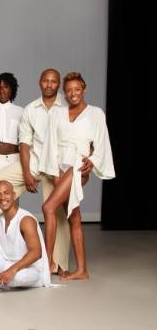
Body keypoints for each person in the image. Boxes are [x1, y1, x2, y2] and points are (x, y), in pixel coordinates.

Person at [0, 68, 71, 272]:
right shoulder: (31, 109)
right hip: (35, 162)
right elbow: (24, 144)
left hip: (58, 167)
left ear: (59, 84)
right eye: (45, 81)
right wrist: (28, 173)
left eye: (53, 81)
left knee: (58, 212)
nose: (49, 85)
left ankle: (56, 263)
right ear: (40, 82)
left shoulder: (67, 108)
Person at [39, 72, 115, 280]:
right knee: (74, 217)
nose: (73, 94)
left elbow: (101, 142)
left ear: (84, 89)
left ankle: (47, 263)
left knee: (48, 207)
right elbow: (51, 144)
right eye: (69, 90)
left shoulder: (96, 114)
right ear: (65, 92)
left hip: (78, 166)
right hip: (60, 167)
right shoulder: (57, 113)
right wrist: (54, 172)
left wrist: (94, 160)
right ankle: (82, 270)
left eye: (77, 89)